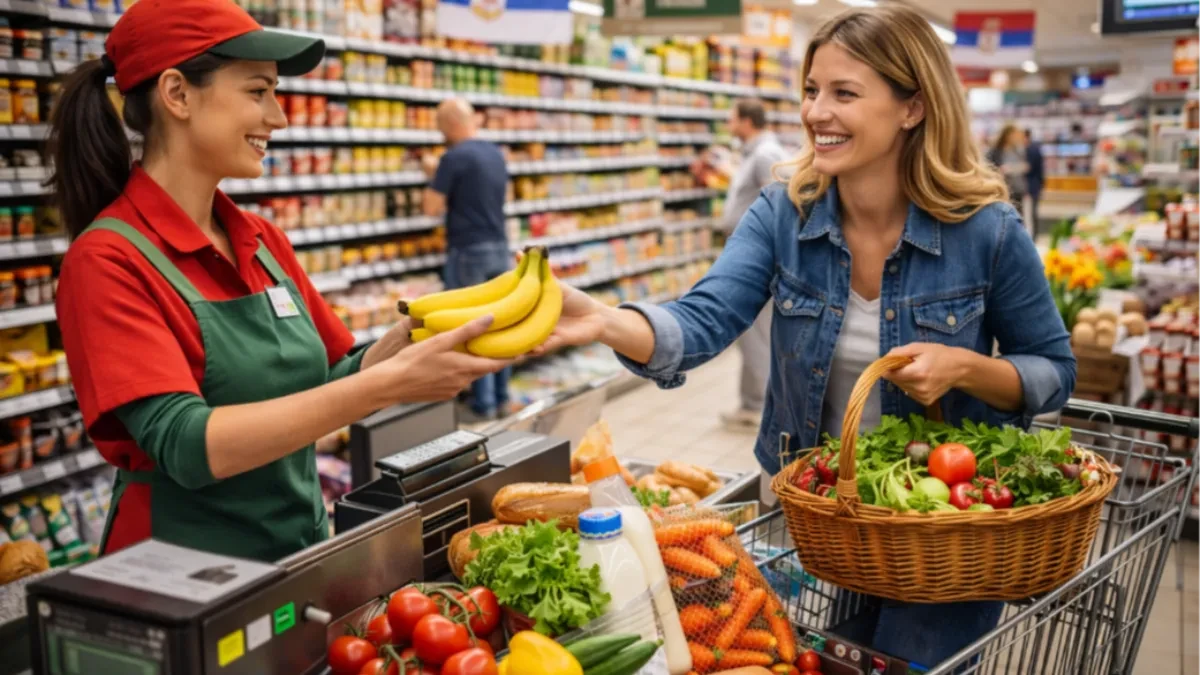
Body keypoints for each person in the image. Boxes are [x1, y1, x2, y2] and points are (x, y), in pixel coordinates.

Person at [538, 4, 1074, 667]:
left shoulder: (987, 231)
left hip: (940, 531)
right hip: (819, 518)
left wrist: (965, 367)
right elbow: (703, 319)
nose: (816, 111)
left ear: (912, 107)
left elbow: (1052, 368)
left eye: (844, 93)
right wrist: (604, 320)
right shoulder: (784, 214)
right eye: (812, 90)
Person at [48, 0, 511, 562]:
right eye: (257, 91)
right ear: (177, 94)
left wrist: (407, 344)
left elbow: (333, 377)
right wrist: (388, 385)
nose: (279, 117)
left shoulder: (261, 239)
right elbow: (186, 444)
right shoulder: (108, 260)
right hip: (183, 576)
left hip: (297, 552)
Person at [422, 98, 512, 420]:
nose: (440, 134)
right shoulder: (495, 153)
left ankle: (482, 404)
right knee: (501, 324)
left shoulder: (453, 157)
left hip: (468, 250)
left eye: (440, 127)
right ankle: (502, 398)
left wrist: (433, 174)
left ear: (450, 123)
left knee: (472, 326)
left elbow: (431, 208)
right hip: (500, 246)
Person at [716, 99, 791, 431]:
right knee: (749, 333)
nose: (728, 124)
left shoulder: (764, 154)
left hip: (758, 259)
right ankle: (751, 403)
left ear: (747, 121)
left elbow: (780, 204)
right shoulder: (752, 153)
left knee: (756, 333)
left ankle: (762, 406)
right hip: (746, 255)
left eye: (732, 118)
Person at [988, 124, 1029, 220]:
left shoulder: (1017, 150)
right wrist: (999, 171)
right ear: (1008, 135)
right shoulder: (995, 152)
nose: (1018, 137)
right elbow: (990, 169)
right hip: (1003, 191)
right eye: (1015, 134)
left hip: (1018, 190)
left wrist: (1016, 168)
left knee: (1018, 218)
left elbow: (1025, 166)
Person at [1025, 128, 1045, 235]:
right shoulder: (1035, 149)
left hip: (1031, 186)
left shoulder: (1031, 150)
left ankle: (1033, 236)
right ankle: (1033, 235)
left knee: (1031, 213)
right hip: (1034, 185)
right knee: (1032, 213)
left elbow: (1030, 168)